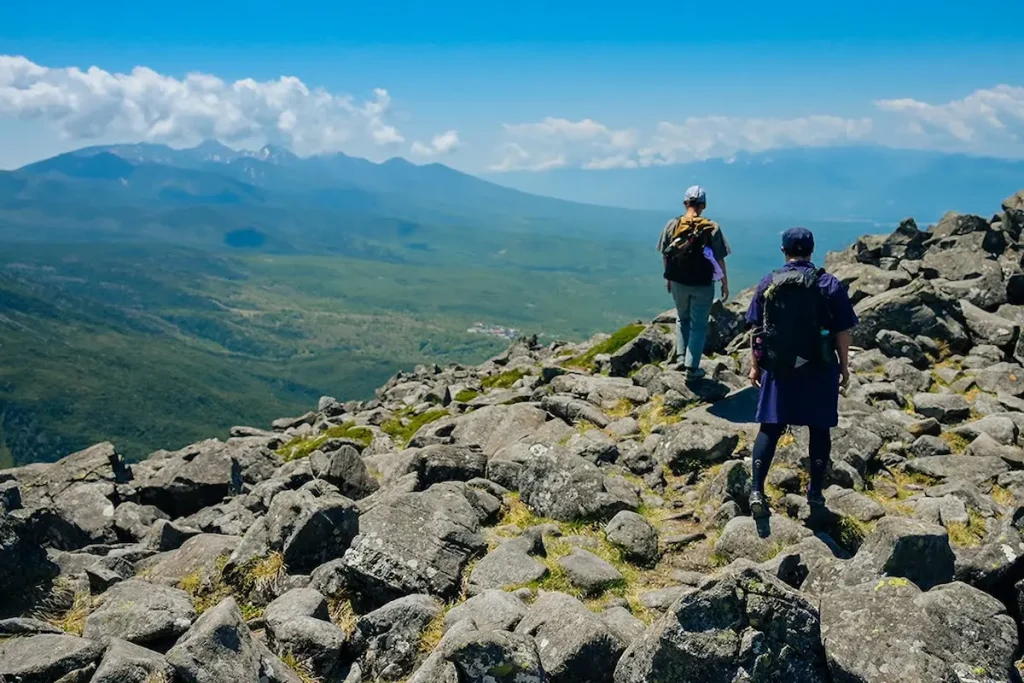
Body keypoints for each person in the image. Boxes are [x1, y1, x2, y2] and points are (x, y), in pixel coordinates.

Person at [744, 227, 857, 518]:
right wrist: (844, 366)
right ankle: (816, 494)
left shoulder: (770, 281)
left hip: (780, 368)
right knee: (819, 429)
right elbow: (842, 330)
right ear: (811, 249)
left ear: (784, 250)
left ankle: (757, 490)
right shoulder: (827, 283)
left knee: (770, 427)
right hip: (819, 365)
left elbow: (757, 329)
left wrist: (756, 365)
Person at [657, 185, 731, 379]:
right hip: (703, 283)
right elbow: (720, 258)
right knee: (699, 325)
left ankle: (681, 359)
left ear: (685, 203)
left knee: (682, 318)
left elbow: (665, 253)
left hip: (678, 281)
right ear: (703, 205)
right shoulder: (711, 227)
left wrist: (668, 277)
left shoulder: (672, 225)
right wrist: (724, 283)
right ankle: (692, 367)